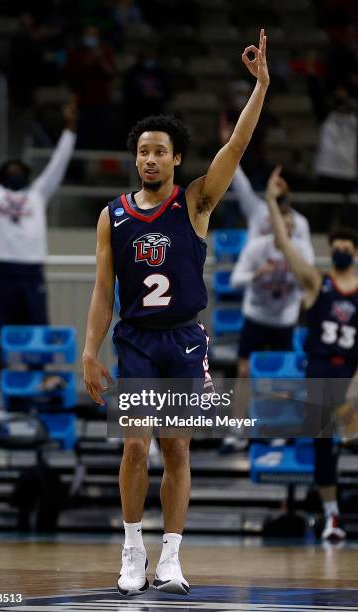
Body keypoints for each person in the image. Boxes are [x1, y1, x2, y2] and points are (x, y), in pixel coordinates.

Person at [83, 30, 269, 595]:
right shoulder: (111, 216)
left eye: (159, 150)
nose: (150, 158)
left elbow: (234, 149)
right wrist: (89, 352)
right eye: (143, 150)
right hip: (137, 339)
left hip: (184, 340)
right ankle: (133, 549)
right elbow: (100, 292)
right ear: (135, 158)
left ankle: (171, 557)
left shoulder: (196, 200)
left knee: (177, 447)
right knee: (136, 445)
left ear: (177, 158)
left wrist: (259, 86)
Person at [0, 99, 77, 382]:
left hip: (32, 271)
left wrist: (70, 129)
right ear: (2, 177)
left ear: (27, 175)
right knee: (2, 331)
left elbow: (58, 164)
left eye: (19, 171)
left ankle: (42, 380)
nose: (15, 174)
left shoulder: (38, 193)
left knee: (39, 329)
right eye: (10, 171)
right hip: (4, 270)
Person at [265, 166, 358, 541]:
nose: (339, 252)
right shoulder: (317, 283)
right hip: (320, 373)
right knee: (322, 446)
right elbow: (286, 247)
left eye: (345, 248)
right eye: (334, 247)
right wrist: (272, 201)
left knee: (350, 434)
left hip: (352, 374)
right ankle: (332, 518)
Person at [231, 192, 313, 379]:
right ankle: (239, 409)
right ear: (272, 225)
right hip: (256, 317)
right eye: (281, 225)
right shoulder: (257, 247)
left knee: (284, 377)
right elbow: (235, 280)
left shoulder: (302, 250)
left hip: (284, 321)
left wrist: (297, 271)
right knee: (244, 372)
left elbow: (309, 284)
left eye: (289, 225)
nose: (285, 230)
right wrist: (256, 275)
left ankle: (276, 409)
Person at [220, 114, 314, 251]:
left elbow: (307, 262)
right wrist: (228, 147)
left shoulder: (300, 223)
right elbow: (240, 182)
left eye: (281, 184)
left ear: (290, 192)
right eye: (274, 183)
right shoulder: (257, 210)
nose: (277, 187)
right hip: (258, 270)